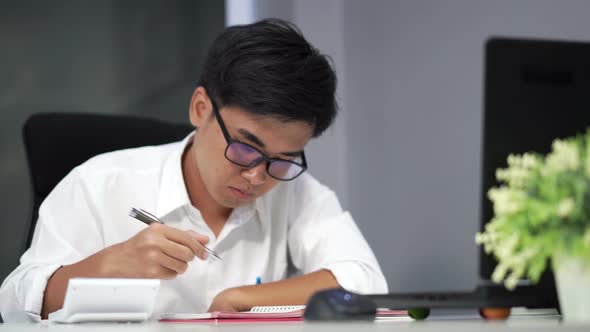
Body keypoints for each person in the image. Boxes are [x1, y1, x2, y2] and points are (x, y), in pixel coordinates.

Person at [0, 18, 387, 322]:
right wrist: (108, 266)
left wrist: (241, 299)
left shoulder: (295, 191)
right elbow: (15, 306)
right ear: (201, 108)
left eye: (282, 159)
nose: (257, 176)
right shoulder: (99, 184)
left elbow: (365, 281)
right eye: (245, 147)